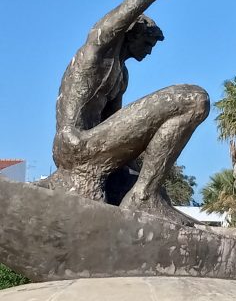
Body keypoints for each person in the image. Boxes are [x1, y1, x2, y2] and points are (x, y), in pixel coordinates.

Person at [42, 14, 209, 224]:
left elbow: (116, 126)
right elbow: (124, 13)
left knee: (138, 181)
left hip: (94, 147)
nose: (149, 51)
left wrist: (136, 175)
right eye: (147, 43)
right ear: (130, 35)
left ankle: (146, 194)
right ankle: (143, 197)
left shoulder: (122, 74)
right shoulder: (95, 56)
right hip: (76, 145)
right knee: (194, 99)